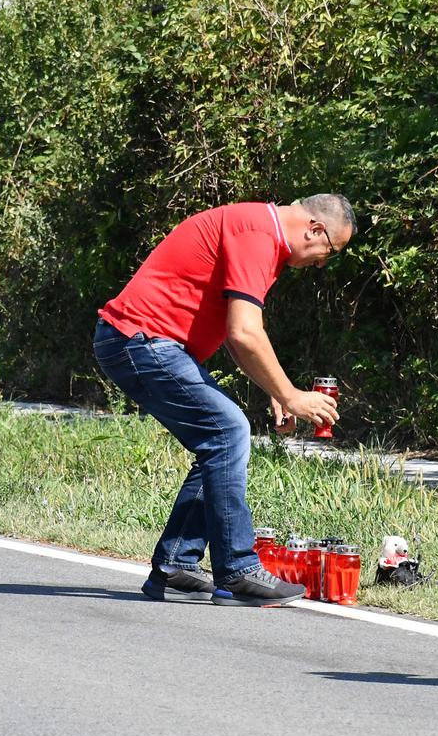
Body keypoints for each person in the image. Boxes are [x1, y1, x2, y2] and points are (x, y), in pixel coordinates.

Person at [93, 195, 355, 606]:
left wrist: (274, 388)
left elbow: (242, 333)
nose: (323, 262)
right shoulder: (259, 234)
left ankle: (175, 567)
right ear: (314, 229)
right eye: (330, 251)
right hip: (140, 341)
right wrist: (290, 395)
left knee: (219, 441)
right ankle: (237, 571)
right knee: (228, 431)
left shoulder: (258, 230)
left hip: (141, 343)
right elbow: (243, 333)